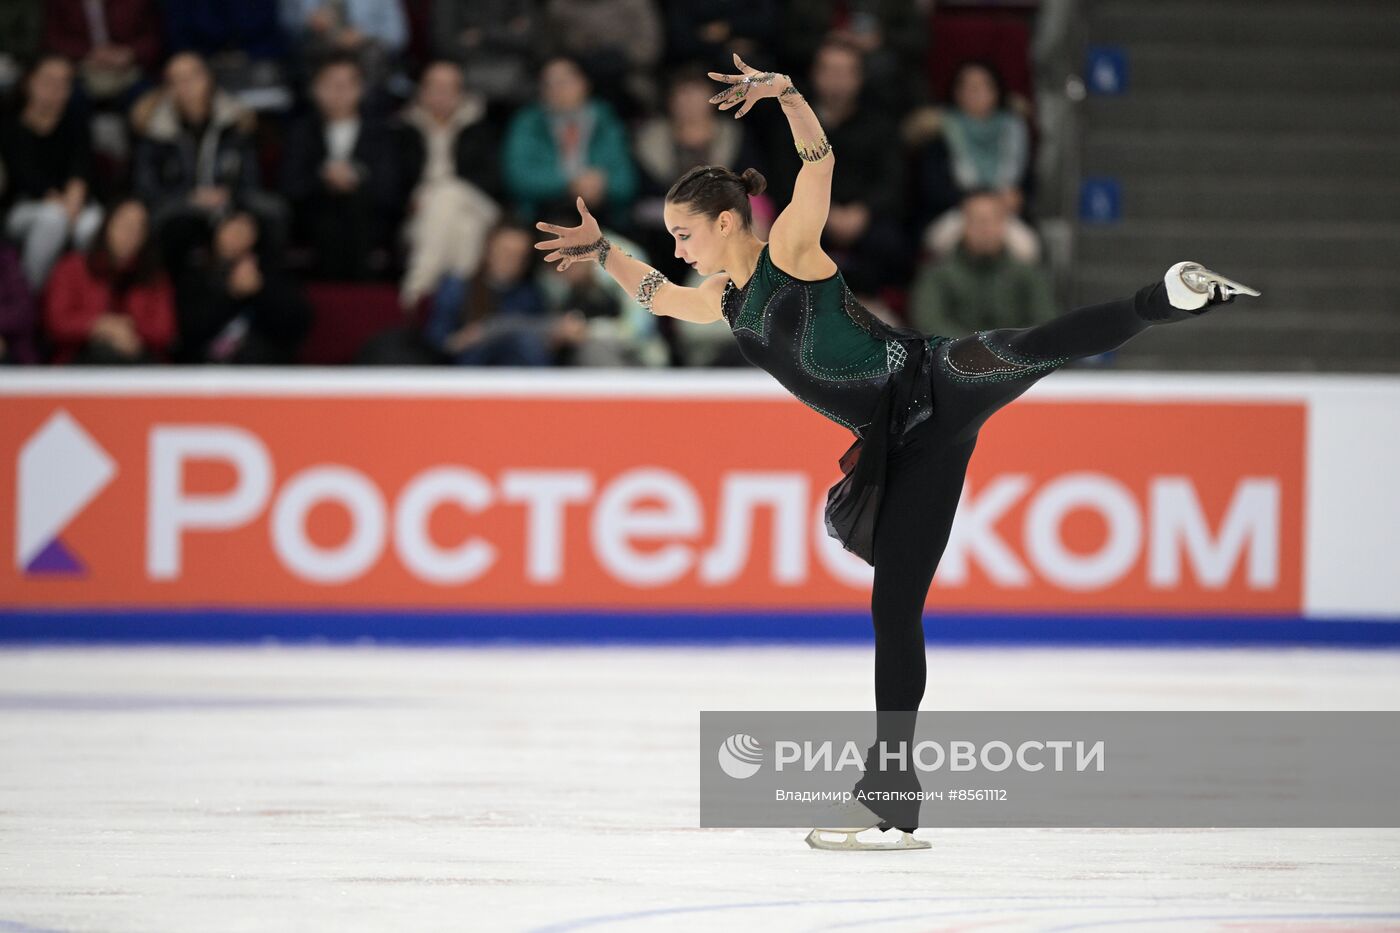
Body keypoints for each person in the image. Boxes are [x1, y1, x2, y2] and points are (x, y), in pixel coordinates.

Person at [533, 53, 1261, 850]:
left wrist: (788, 96)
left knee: (1036, 344)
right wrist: (606, 253)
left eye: (684, 233)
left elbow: (819, 160)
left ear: (728, 222)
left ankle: (1172, 296)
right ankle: (892, 792)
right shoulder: (721, 298)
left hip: (934, 379)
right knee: (894, 609)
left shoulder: (791, 253)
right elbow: (655, 294)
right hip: (901, 447)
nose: (677, 249)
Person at [282, 52, 400, 280]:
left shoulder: (380, 132)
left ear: (360, 89)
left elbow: (390, 188)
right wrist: (323, 178)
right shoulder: (301, 132)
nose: (338, 92)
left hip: (367, 218)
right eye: (330, 84)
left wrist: (355, 177)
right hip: (315, 218)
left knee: (356, 205)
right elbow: (289, 185)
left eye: (346, 84)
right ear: (315, 89)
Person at [0, 54, 104, 290]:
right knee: (52, 219)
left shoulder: (76, 120)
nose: (56, 89)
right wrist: (61, 204)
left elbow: (81, 168)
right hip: (26, 205)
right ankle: (28, 293)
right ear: (30, 81)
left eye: (63, 82)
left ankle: (84, 298)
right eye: (48, 80)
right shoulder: (9, 124)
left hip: (74, 202)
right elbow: (21, 175)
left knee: (93, 224)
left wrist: (73, 202)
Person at [908, 189, 1057, 337]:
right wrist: (974, 349)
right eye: (977, 220)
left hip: (1016, 357)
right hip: (955, 356)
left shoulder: (1027, 274)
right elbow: (928, 322)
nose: (984, 228)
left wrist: (1009, 349)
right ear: (964, 225)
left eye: (992, 219)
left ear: (1004, 224)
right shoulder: (938, 275)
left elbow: (1045, 320)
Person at [44, 197, 175, 364]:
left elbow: (165, 330)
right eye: (124, 225)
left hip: (140, 360)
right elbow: (56, 322)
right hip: (81, 360)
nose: (131, 234)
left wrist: (129, 329)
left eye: (139, 228)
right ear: (107, 226)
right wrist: (100, 326)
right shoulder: (72, 268)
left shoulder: (153, 276)